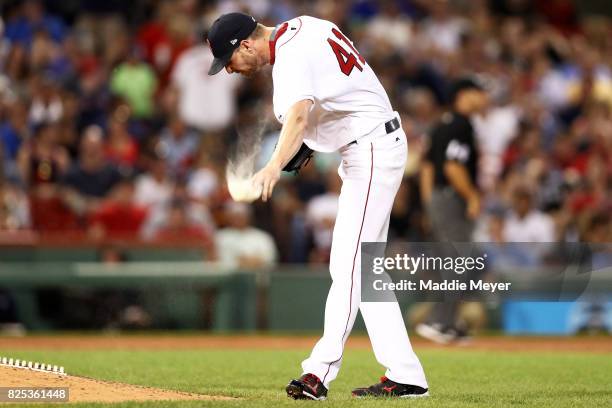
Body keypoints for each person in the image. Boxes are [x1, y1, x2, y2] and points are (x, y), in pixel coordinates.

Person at [207, 12, 428, 400]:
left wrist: (274, 164)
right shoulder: (306, 26)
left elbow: (298, 114)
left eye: (229, 61)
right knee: (365, 270)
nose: (229, 70)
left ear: (245, 44)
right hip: (370, 145)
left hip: (372, 148)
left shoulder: (289, 59)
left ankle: (319, 373)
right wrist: (312, 139)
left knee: (347, 264)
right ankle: (407, 374)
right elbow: (336, 88)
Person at [417, 78, 488, 344]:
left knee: (450, 260)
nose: (483, 98)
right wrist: (471, 196)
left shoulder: (442, 124)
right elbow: (452, 166)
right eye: (479, 92)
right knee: (457, 261)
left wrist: (428, 204)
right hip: (451, 197)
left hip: (437, 197)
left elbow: (427, 167)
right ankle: (440, 321)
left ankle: (446, 321)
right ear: (464, 95)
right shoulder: (460, 124)